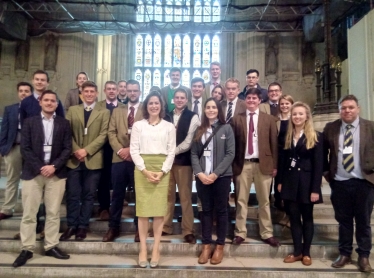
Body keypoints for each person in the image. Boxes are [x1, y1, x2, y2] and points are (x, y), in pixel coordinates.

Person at [12, 90, 72, 267]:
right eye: (46, 100)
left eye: (53, 100)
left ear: (56, 104)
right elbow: (25, 148)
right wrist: (40, 167)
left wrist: (54, 166)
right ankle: (27, 248)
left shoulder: (64, 123)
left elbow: (67, 148)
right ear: (40, 102)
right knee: (29, 214)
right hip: (33, 173)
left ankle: (51, 245)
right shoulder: (30, 122)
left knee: (53, 213)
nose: (49, 103)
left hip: (56, 173)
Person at [323, 95, 374, 273]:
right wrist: (327, 174)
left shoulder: (370, 127)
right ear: (339, 110)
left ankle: (364, 256)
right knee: (343, 221)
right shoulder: (331, 128)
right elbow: (322, 154)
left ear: (358, 108)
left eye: (351, 107)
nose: (347, 111)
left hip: (363, 182)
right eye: (344, 108)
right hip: (340, 183)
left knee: (363, 222)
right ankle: (344, 253)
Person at [130, 91, 176, 268]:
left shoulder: (168, 127)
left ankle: (156, 248)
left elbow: (171, 151)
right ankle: (143, 249)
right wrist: (144, 170)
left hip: (162, 168)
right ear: (146, 106)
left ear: (161, 106)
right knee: (142, 211)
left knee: (158, 211)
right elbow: (134, 149)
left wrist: (163, 171)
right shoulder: (138, 126)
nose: (154, 106)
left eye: (157, 103)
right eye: (151, 103)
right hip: (143, 168)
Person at [60, 81, 110, 241]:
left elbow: (103, 135)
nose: (89, 94)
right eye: (86, 91)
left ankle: (82, 226)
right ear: (81, 94)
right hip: (74, 159)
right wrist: (77, 150)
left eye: (92, 91)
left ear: (96, 94)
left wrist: (86, 150)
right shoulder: (73, 110)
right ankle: (71, 225)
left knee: (89, 195)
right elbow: (66, 132)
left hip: (93, 159)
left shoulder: (104, 112)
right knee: (73, 194)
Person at [231, 88, 279, 247]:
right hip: (242, 164)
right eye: (248, 98)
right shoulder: (237, 119)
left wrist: (275, 165)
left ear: (259, 101)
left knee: (264, 201)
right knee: (241, 200)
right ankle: (240, 232)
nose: (251, 101)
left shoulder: (269, 119)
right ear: (245, 100)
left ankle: (266, 232)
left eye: (254, 98)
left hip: (263, 164)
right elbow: (233, 145)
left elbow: (274, 144)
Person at [278, 102, 323, 266]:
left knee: (307, 218)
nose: (297, 116)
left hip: (306, 184)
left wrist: (315, 189)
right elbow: (283, 161)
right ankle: (297, 252)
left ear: (307, 116)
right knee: (294, 218)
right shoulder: (287, 136)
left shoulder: (316, 136)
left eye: (300, 114)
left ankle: (307, 253)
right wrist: (281, 181)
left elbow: (319, 165)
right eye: (294, 114)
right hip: (290, 182)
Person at [191, 97, 235, 265]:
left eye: (214, 107)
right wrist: (199, 173)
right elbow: (194, 153)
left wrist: (215, 174)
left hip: (221, 177)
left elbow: (230, 154)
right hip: (202, 177)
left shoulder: (226, 128)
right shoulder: (199, 129)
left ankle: (220, 246)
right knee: (206, 211)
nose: (211, 110)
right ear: (204, 110)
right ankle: (207, 245)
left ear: (218, 110)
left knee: (222, 211)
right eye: (208, 107)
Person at [102, 79, 143, 243]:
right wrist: (120, 150)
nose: (132, 93)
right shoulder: (117, 111)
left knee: (139, 195)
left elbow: (147, 133)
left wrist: (132, 151)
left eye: (135, 90)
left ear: (139, 92)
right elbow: (111, 133)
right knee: (117, 195)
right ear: (124, 91)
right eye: (130, 90)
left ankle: (140, 228)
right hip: (118, 158)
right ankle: (114, 227)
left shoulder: (145, 111)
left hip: (138, 158)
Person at [162, 88, 200, 243]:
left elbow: (189, 141)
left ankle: (188, 230)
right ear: (173, 99)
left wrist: (172, 152)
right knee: (168, 197)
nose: (179, 100)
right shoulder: (166, 116)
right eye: (176, 97)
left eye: (182, 97)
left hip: (183, 162)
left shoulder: (193, 116)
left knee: (185, 197)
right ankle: (165, 227)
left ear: (187, 99)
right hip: (166, 163)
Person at [0, 82, 33, 220]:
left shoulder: (35, 108)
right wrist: (3, 149)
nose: (23, 93)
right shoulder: (10, 109)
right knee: (12, 179)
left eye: (26, 91)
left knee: (29, 181)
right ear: (18, 92)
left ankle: (29, 209)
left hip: (31, 149)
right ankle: (7, 208)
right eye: (21, 91)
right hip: (14, 147)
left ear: (31, 93)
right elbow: (4, 130)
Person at [96, 81, 124, 220]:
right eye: (109, 89)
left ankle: (118, 205)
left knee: (118, 179)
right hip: (104, 147)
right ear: (104, 90)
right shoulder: (98, 106)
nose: (112, 91)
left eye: (114, 89)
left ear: (118, 91)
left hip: (120, 147)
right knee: (104, 178)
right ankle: (104, 207)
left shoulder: (124, 107)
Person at [274, 95, 294, 213]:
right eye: (282, 104)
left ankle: (289, 205)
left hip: (292, 153)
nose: (284, 106)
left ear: (291, 104)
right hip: (279, 154)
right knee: (278, 179)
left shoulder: (295, 118)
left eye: (287, 103)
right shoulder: (275, 119)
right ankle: (278, 202)